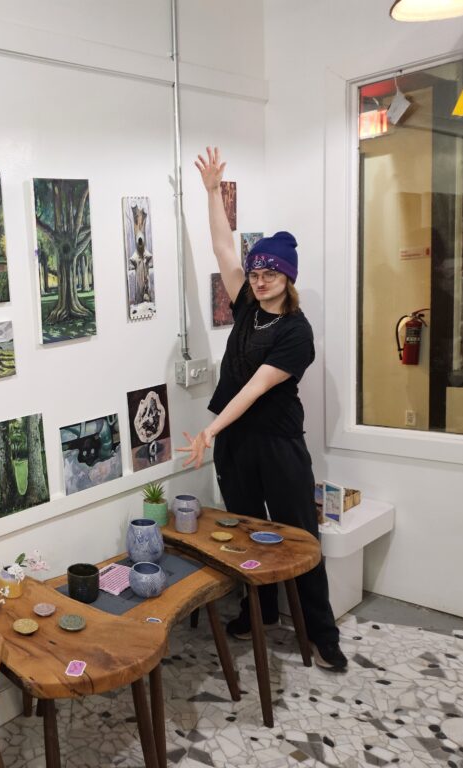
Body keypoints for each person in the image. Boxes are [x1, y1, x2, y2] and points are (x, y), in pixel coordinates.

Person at [176, 147, 347, 672]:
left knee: (299, 534)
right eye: (256, 272)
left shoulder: (298, 332)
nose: (259, 279)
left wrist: (208, 430)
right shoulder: (246, 304)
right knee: (247, 530)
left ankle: (321, 631)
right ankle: (262, 613)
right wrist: (211, 192)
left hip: (276, 443)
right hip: (237, 446)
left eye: (271, 273)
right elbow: (223, 245)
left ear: (288, 278)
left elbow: (252, 389)